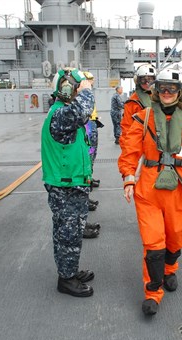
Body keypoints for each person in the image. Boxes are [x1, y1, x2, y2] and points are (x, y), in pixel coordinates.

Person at [118, 68, 182, 316]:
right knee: (153, 244)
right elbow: (129, 151)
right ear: (156, 91)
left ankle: (170, 268)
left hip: (181, 188)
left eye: (172, 89)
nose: (167, 93)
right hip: (148, 188)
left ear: (180, 92)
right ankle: (153, 292)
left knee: (176, 237)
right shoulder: (142, 117)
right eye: (162, 88)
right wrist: (129, 178)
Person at [41, 67, 95, 297]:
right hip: (65, 188)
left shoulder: (61, 111)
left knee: (68, 232)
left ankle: (69, 270)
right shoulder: (61, 115)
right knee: (68, 234)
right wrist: (86, 89)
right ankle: (66, 279)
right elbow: (82, 110)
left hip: (71, 184)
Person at [82, 71, 101, 238]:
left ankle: (85, 194)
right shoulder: (80, 97)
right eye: (88, 80)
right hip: (88, 126)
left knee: (90, 160)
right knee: (87, 162)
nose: (90, 83)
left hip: (92, 125)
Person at [119, 63, 156, 148]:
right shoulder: (133, 102)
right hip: (141, 143)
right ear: (137, 81)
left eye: (150, 80)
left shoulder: (163, 97)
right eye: (143, 80)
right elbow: (126, 127)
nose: (147, 83)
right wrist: (127, 149)